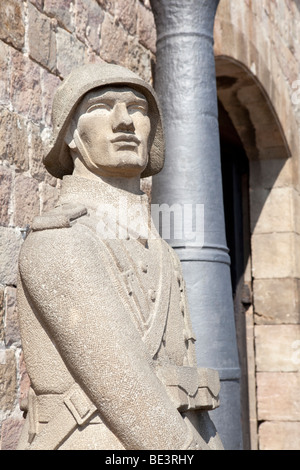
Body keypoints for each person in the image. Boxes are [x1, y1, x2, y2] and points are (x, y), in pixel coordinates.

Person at [17, 63, 223, 450]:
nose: (124, 121)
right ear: (72, 135)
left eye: (138, 109)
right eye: (102, 105)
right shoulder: (62, 240)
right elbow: (128, 389)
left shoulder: (159, 249)